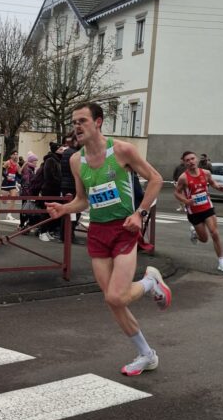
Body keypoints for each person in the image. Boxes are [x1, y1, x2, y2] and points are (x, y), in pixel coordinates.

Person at [46, 101, 172, 377]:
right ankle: (146, 355)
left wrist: (139, 214)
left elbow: (156, 179)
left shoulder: (122, 150)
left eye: (82, 121)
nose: (77, 126)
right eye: (74, 121)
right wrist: (63, 209)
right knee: (113, 301)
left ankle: (151, 281)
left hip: (124, 230)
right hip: (98, 233)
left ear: (99, 122)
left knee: (116, 295)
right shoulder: (75, 160)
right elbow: (82, 200)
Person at [174, 150, 223, 272]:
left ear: (197, 160)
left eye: (192, 158)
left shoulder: (206, 173)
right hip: (194, 212)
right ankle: (195, 232)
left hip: (207, 208)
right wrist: (186, 201)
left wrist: (219, 187)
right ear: (184, 163)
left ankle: (221, 262)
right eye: (187, 160)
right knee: (204, 239)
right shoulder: (183, 178)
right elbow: (177, 193)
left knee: (215, 233)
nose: (191, 162)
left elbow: (212, 183)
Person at [38, 142, 62, 241]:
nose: (63, 151)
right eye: (60, 149)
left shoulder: (57, 160)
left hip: (55, 189)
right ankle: (42, 232)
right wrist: (59, 182)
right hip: (49, 189)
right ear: (55, 150)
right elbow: (49, 176)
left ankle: (47, 231)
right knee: (46, 211)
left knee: (52, 212)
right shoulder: (50, 160)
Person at [59, 131, 80, 242]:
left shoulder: (66, 153)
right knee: (73, 211)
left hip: (66, 184)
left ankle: (64, 235)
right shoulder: (75, 154)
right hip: (72, 185)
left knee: (67, 211)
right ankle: (68, 236)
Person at [19, 151, 40, 232]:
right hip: (26, 193)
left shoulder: (31, 169)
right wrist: (30, 195)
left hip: (26, 193)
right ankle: (22, 225)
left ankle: (23, 225)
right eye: (35, 161)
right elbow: (27, 183)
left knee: (26, 209)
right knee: (25, 209)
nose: (36, 163)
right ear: (31, 161)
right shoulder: (28, 170)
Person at [2, 150, 21, 222]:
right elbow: (2, 171)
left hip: (12, 183)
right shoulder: (8, 162)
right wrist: (6, 176)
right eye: (14, 154)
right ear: (11, 156)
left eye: (17, 154)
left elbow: (19, 175)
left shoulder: (17, 165)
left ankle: (9, 214)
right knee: (3, 201)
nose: (16, 156)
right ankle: (4, 197)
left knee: (14, 197)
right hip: (6, 183)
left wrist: (20, 181)